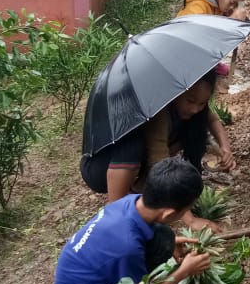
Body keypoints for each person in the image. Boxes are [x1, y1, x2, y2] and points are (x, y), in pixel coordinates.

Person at [53, 159, 212, 284]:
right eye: (186, 210)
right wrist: (184, 271)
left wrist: (172, 243)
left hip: (94, 270)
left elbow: (134, 238)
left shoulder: (133, 201)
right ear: (169, 214)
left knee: (164, 238)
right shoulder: (127, 247)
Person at [80, 70, 236, 204]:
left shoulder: (193, 108)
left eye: (202, 103)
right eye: (190, 101)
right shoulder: (159, 113)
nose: (195, 108)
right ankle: (118, 209)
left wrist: (225, 149)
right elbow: (159, 163)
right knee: (134, 145)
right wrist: (186, 214)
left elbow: (211, 119)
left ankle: (138, 188)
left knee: (193, 130)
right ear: (177, 91)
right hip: (99, 170)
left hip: (134, 162)